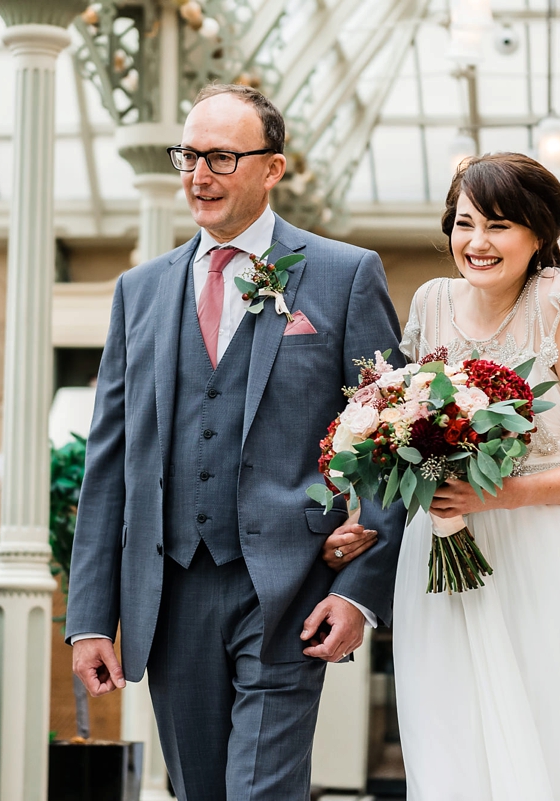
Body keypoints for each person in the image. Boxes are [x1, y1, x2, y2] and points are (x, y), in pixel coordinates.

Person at [65, 83, 406, 801]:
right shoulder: (139, 290)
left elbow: (391, 439)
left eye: (220, 156)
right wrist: (91, 616)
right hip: (170, 590)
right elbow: (109, 464)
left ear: (273, 168)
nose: (197, 174)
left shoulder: (344, 277)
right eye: (188, 155)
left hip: (286, 586)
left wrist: (360, 592)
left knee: (262, 792)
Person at [333, 152, 560, 799]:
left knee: (545, 734)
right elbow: (407, 422)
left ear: (538, 234)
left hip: (547, 556)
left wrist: (511, 492)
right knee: (449, 732)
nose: (476, 243)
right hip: (442, 555)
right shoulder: (430, 301)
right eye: (464, 223)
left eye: (499, 225)